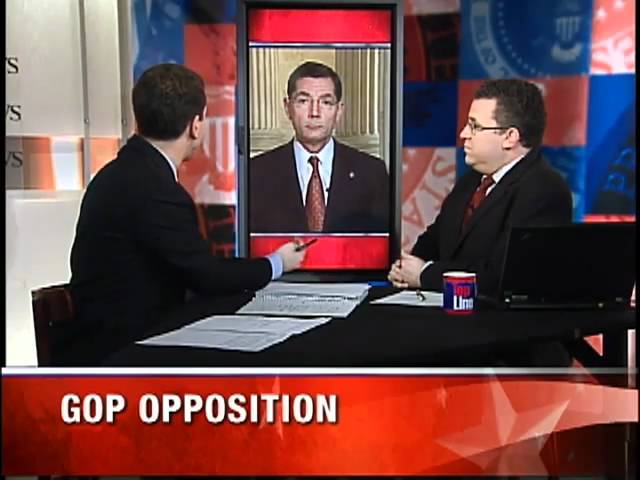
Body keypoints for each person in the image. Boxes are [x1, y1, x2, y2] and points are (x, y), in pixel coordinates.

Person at [69, 64, 305, 365]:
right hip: (121, 350)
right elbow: (207, 276)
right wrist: (278, 263)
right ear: (195, 125)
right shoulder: (154, 188)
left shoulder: (119, 174)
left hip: (113, 335)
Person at [389, 78, 574, 366]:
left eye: (475, 126)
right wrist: (405, 268)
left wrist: (423, 275)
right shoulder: (472, 181)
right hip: (455, 334)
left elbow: (500, 278)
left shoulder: (543, 190)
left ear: (510, 137)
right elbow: (435, 239)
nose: (464, 134)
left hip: (509, 353)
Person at [249, 61, 389, 233]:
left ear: (339, 111)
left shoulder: (372, 173)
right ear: (287, 108)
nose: (314, 113)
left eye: (326, 102)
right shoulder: (255, 173)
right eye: (303, 101)